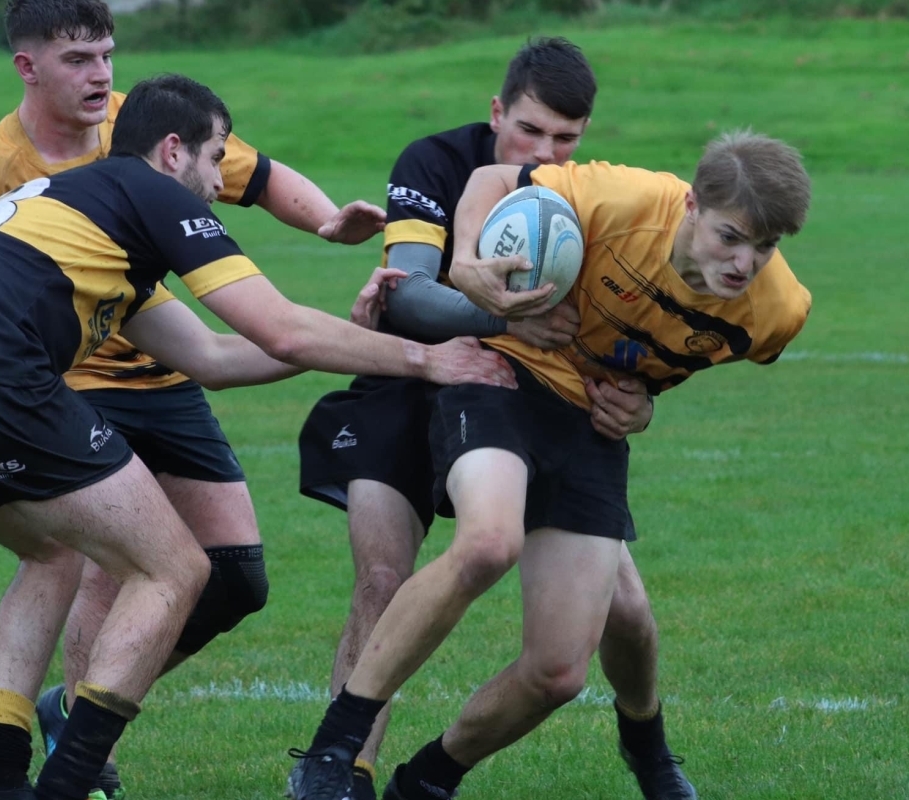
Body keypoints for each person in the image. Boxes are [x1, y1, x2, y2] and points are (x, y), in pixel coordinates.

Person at [0, 73, 515, 800]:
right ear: (173, 151)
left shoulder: (84, 217)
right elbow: (279, 328)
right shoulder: (152, 194)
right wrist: (428, 358)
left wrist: (359, 336)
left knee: (49, 552)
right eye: (216, 156)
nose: (221, 180)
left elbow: (215, 359)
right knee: (175, 570)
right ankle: (68, 783)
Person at [307, 129, 811, 800]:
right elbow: (491, 179)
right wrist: (468, 265)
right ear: (692, 205)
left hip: (588, 423)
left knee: (558, 673)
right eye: (731, 237)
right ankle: (333, 749)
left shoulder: (778, 313)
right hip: (505, 376)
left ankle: (427, 780)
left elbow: (671, 352)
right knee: (487, 543)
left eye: (765, 246)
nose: (745, 263)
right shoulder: (622, 200)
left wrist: (645, 407)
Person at [292, 38, 690, 800]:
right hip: (408, 378)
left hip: (520, 394)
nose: (544, 151)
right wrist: (502, 318)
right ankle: (345, 774)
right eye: (529, 130)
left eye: (565, 138)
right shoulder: (435, 163)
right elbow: (408, 296)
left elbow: (634, 337)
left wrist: (641, 401)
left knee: (629, 612)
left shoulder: (588, 197)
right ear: (497, 111)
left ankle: (647, 743)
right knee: (382, 576)